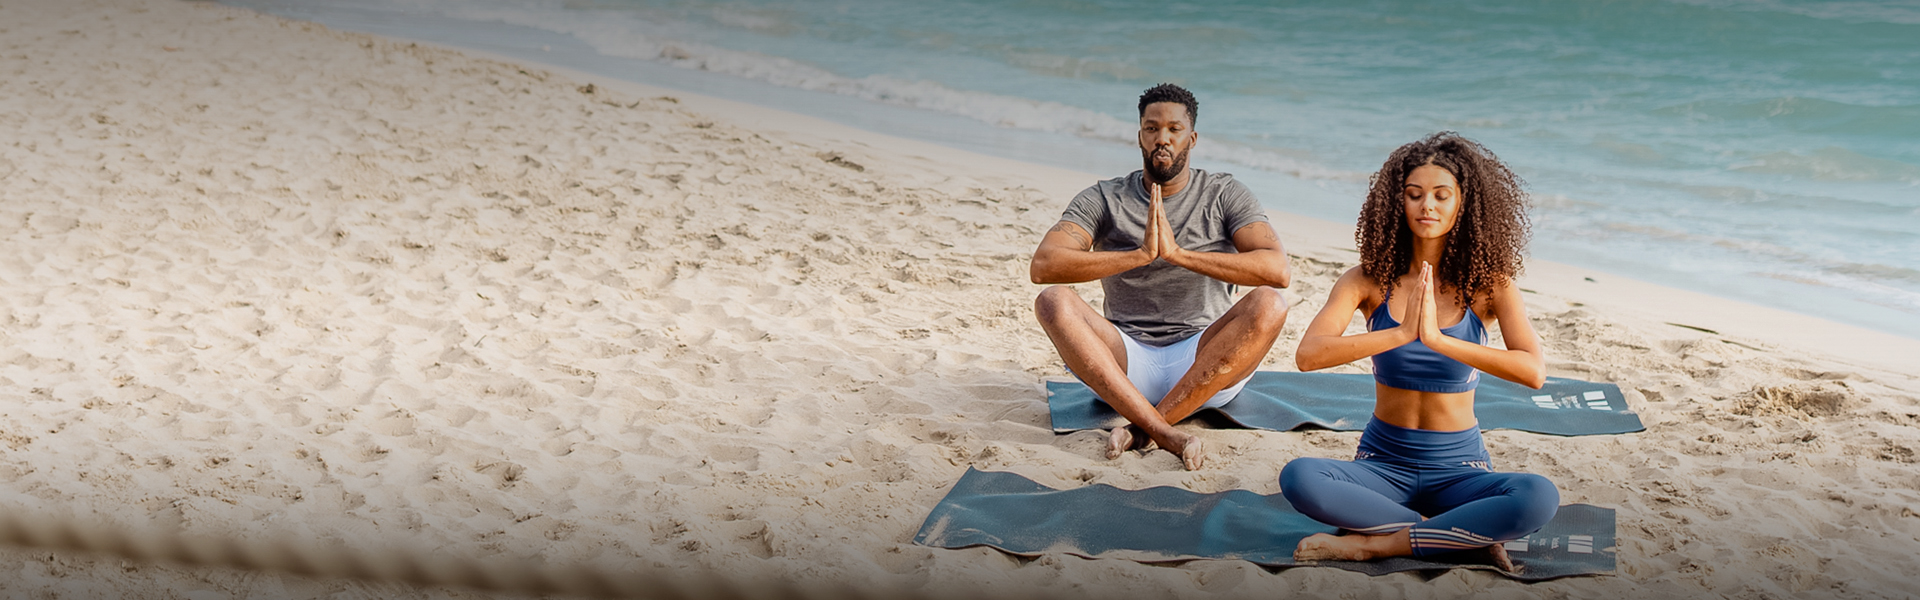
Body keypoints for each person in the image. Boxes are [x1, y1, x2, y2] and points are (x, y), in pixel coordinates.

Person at [1280, 132, 1555, 571]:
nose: (1428, 205)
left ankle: (1380, 543)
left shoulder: (1490, 286)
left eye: (1442, 195)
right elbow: (1309, 355)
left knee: (1539, 496)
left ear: (1463, 205)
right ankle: (1454, 535)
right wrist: (1402, 332)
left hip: (1462, 468)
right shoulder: (1366, 280)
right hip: (1382, 464)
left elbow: (1533, 371)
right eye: (1415, 194)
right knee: (1299, 477)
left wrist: (1440, 340)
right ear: (1397, 203)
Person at [1030, 84, 1291, 471]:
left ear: (1192, 138)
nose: (1162, 139)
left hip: (1204, 364)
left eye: (1174, 129)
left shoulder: (1224, 194)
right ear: (1139, 136)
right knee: (1053, 301)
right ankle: (1166, 432)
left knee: (1270, 304)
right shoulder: (1105, 197)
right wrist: (1136, 256)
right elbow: (1044, 265)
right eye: (1152, 129)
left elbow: (1277, 270)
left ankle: (1143, 429)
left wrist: (1180, 256)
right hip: (1123, 364)